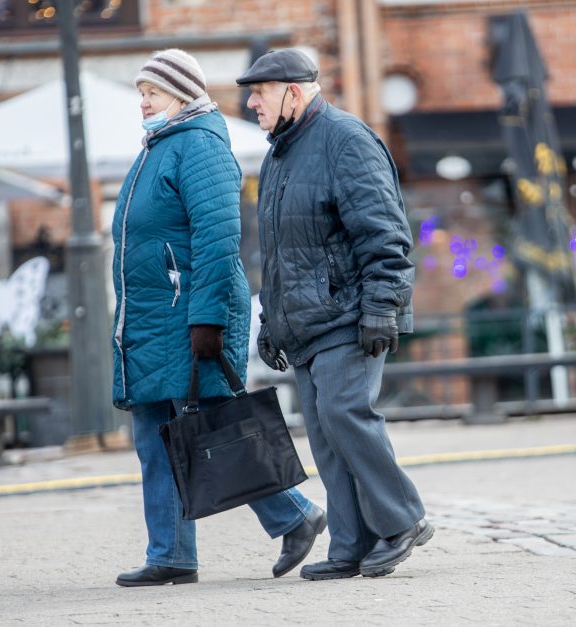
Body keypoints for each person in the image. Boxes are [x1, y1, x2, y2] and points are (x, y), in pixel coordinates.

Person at [111, 49, 325, 587]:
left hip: (187, 316)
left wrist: (206, 319)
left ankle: (295, 514)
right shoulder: (159, 146)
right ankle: (171, 553)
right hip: (153, 319)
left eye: (152, 92)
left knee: (215, 428)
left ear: (181, 93)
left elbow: (218, 240)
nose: (143, 102)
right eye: (141, 92)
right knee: (158, 433)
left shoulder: (199, 147)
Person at [236, 48, 433, 581]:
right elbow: (281, 255)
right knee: (324, 432)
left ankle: (402, 520)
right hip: (306, 323)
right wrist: (272, 324)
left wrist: (380, 310)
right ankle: (350, 544)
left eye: (260, 91)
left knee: (347, 415)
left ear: (293, 93)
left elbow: (386, 237)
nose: (250, 101)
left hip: (350, 315)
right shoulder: (281, 152)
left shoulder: (346, 140)